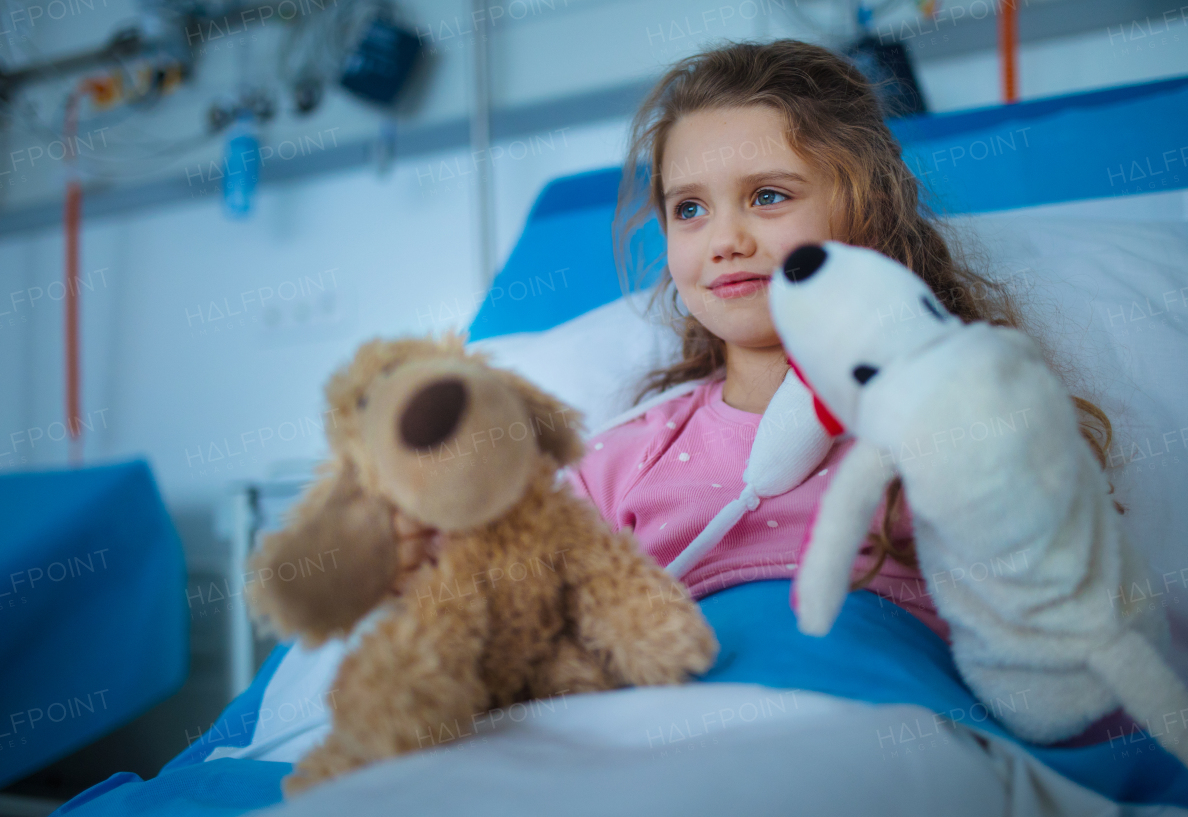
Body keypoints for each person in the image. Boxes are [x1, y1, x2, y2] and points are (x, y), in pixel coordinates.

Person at [395, 37, 1126, 745]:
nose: (724, 239)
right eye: (690, 209)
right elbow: (524, 619)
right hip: (656, 734)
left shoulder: (939, 415)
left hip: (889, 719)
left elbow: (1057, 606)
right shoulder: (627, 457)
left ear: (866, 212)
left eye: (768, 196)